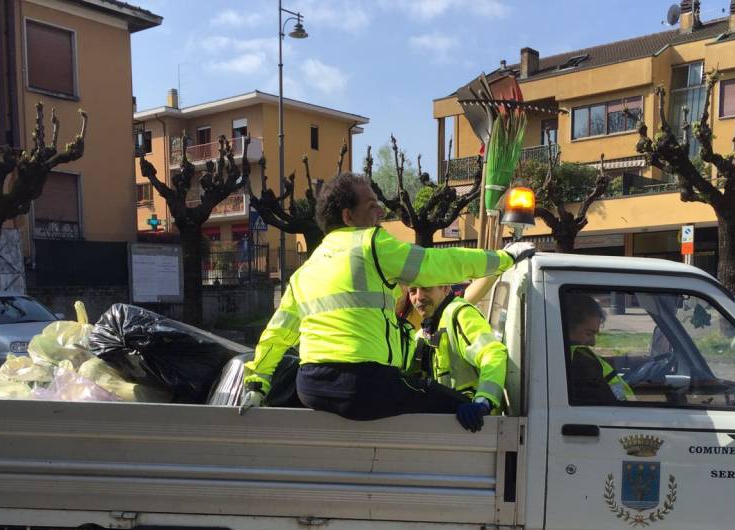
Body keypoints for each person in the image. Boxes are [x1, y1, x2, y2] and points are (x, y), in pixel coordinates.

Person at [239, 172, 533, 428]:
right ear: (347, 216)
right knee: (451, 405)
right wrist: (503, 258)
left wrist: (257, 383)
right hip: (363, 385)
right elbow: (437, 263)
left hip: (311, 387)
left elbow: (277, 333)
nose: (380, 212)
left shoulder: (306, 270)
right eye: (372, 206)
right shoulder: (370, 243)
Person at [407, 284, 508, 432]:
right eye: (413, 291)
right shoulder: (424, 332)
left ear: (446, 288)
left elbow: (493, 354)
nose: (419, 297)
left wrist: (483, 402)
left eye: (427, 288)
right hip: (453, 429)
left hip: (479, 427)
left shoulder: (459, 314)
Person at [565, 293, 633, 405]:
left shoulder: (573, 357)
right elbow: (608, 405)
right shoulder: (582, 362)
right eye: (589, 333)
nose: (593, 342)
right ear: (567, 328)